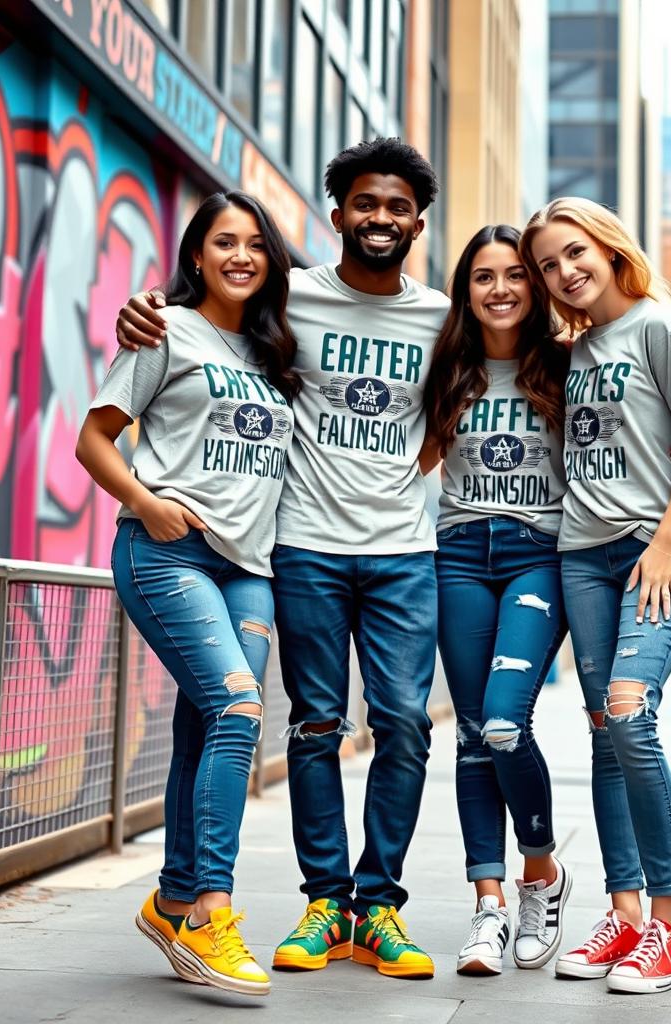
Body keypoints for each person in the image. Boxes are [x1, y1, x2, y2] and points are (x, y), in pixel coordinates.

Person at [115, 139, 449, 980]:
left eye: (398, 206)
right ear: (335, 215)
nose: (380, 219)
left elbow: (479, 385)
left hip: (402, 550)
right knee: (311, 724)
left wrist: (410, 472)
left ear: (418, 220)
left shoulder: (442, 316)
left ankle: (378, 909)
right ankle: (323, 901)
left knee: (405, 723)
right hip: (297, 545)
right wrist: (141, 310)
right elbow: (204, 311)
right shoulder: (284, 295)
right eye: (365, 205)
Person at [77, 191, 299, 996]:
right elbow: (92, 438)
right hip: (169, 551)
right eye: (222, 242)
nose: (240, 255)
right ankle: (210, 914)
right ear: (196, 255)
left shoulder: (277, 352)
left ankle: (172, 898)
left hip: (249, 566)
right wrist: (143, 501)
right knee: (240, 710)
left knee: (209, 721)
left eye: (254, 244)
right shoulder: (163, 327)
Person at [521, 197, 671, 994]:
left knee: (633, 710)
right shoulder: (571, 354)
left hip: (654, 549)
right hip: (582, 552)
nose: (565, 273)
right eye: (548, 265)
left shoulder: (658, 326)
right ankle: (627, 914)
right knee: (605, 727)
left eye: (575, 254)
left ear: (608, 248)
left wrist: (669, 537)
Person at [421, 225, 572, 976]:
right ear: (465, 290)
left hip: (535, 557)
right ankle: (488, 906)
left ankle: (540, 874)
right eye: (483, 277)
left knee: (507, 722)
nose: (501, 288)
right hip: (457, 557)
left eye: (515, 274)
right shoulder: (447, 369)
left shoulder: (567, 366)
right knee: (472, 730)